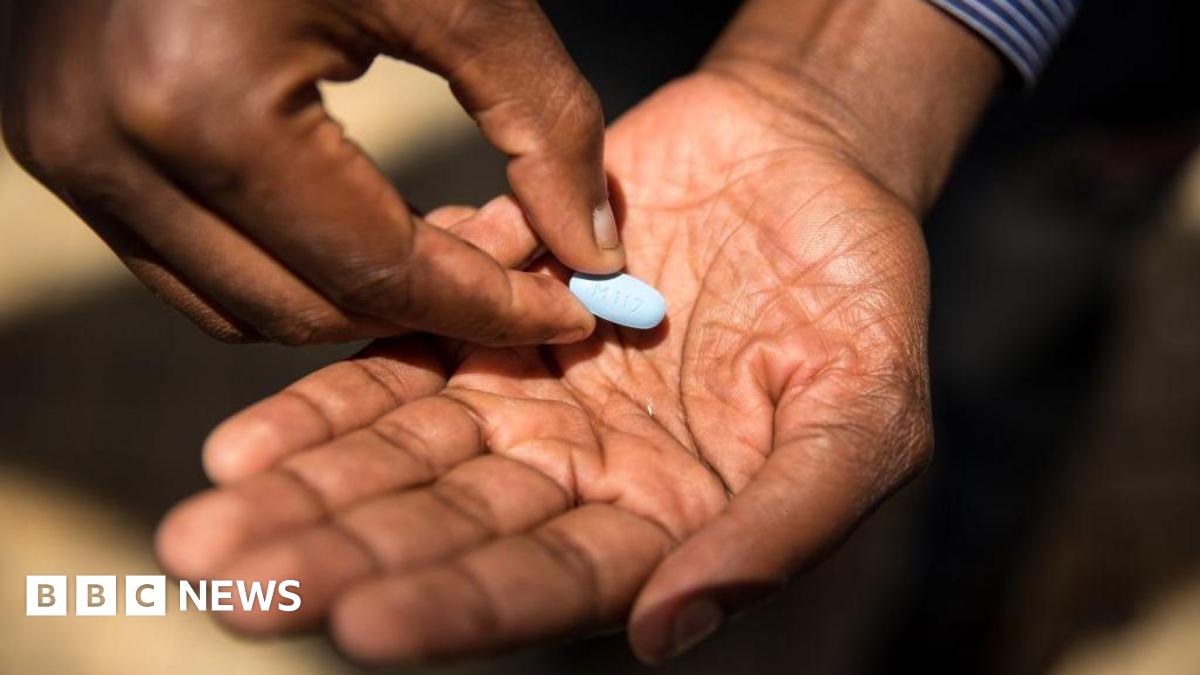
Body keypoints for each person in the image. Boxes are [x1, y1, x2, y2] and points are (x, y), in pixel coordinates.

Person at [1, 0, 1079, 665]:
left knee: (1001, 347)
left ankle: (946, 621)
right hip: (629, 20)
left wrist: (851, 74)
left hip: (1075, 73)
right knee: (606, 77)